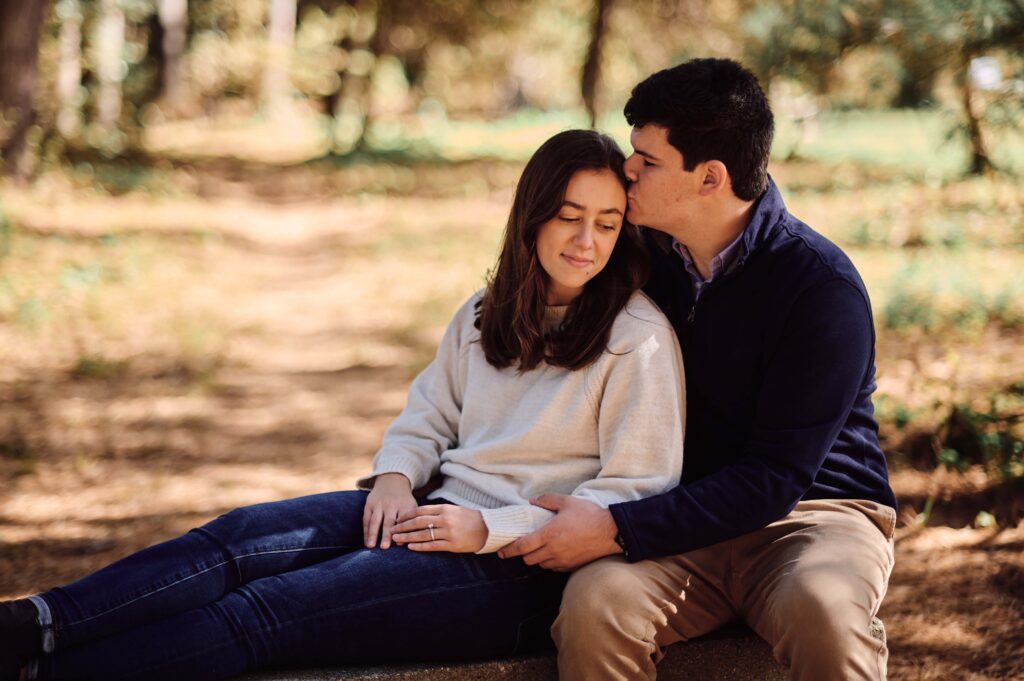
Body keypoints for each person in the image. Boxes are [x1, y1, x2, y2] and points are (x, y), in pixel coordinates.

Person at [0, 129, 686, 681]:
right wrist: (394, 475)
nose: (586, 241)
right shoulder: (487, 310)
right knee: (235, 541)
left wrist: (490, 527)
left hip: (516, 576)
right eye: (569, 217)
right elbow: (430, 412)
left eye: (606, 222)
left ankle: (38, 671)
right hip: (430, 511)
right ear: (532, 215)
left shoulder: (637, 341)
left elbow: (632, 494)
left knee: (266, 611)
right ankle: (31, 624)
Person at [498, 59, 898, 681]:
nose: (627, 169)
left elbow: (774, 479)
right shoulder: (643, 257)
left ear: (710, 177)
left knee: (825, 610)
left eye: (648, 161)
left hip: (814, 515)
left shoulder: (820, 289)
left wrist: (616, 527)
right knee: (596, 604)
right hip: (678, 513)